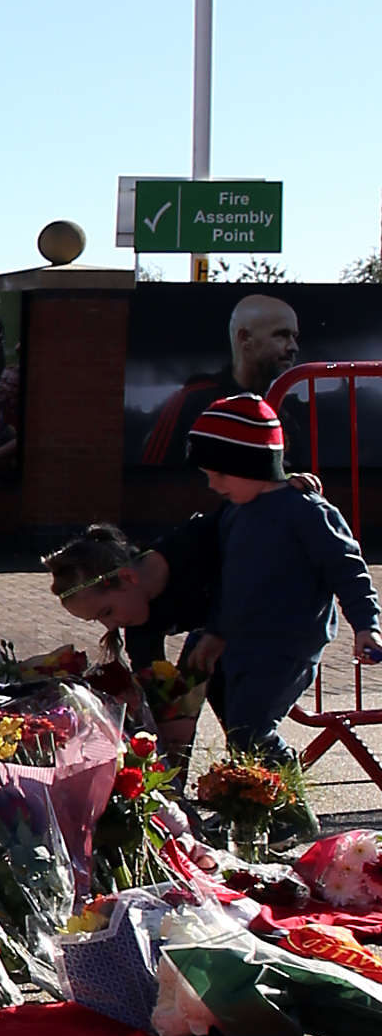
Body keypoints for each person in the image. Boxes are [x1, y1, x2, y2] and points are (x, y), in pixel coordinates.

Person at [181, 392, 382, 758]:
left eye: (220, 473)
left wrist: (366, 623)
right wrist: (215, 632)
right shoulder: (234, 512)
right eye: (207, 475)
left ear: (254, 464)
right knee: (243, 735)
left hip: (286, 646)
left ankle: (288, 810)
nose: (212, 484)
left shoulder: (303, 509)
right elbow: (228, 582)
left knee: (253, 733)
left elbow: (347, 566)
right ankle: (265, 810)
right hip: (242, 642)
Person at [47, 514, 228, 761]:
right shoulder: (140, 623)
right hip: (218, 632)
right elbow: (154, 687)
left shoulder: (196, 542)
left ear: (128, 578)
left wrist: (291, 486)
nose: (110, 625)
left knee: (248, 723)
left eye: (107, 612)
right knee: (171, 717)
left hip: (272, 618)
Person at [138, 286, 302, 469]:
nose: (293, 347)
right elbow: (148, 481)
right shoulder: (186, 404)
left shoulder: (285, 421)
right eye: (281, 336)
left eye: (294, 337)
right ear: (245, 338)